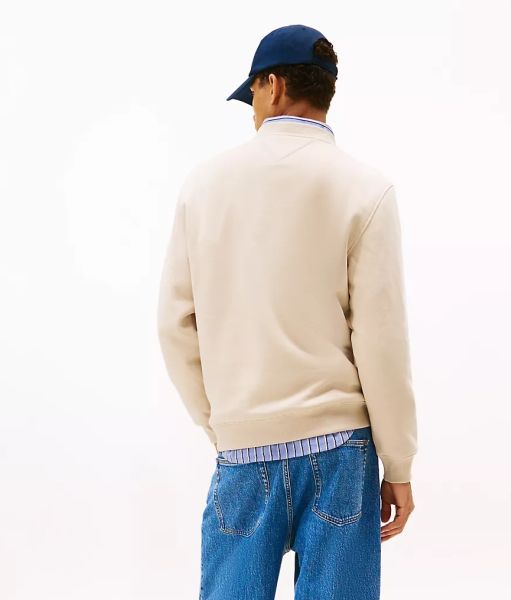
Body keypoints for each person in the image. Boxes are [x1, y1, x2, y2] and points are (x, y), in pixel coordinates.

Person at [157, 23, 418, 600]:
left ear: (272, 85)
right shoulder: (366, 189)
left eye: (251, 93)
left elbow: (175, 325)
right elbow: (382, 341)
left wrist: (223, 424)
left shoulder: (204, 186)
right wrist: (398, 462)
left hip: (243, 445)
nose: (252, 108)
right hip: (341, 447)